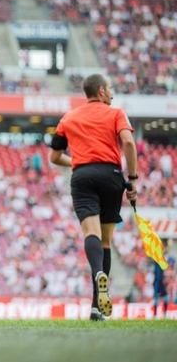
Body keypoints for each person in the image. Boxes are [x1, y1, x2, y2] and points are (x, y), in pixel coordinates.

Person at [49, 74, 138, 321]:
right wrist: (132, 179)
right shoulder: (116, 113)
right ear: (100, 91)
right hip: (111, 175)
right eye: (110, 89)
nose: (112, 94)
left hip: (82, 176)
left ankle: (98, 275)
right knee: (106, 241)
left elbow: (54, 157)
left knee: (92, 234)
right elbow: (129, 143)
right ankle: (97, 306)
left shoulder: (69, 117)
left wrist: (76, 160)